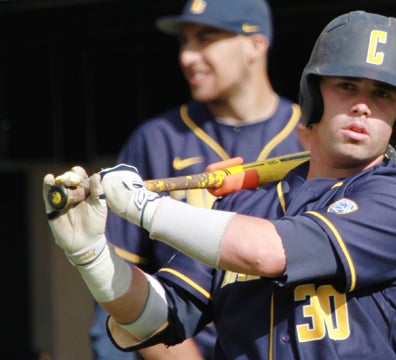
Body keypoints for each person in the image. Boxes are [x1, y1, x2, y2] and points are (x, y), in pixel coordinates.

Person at [43, 10, 396, 359]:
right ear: (314, 96)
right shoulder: (249, 206)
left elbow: (265, 253)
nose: (362, 106)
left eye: (383, 93)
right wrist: (92, 257)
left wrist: (144, 208)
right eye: (347, 86)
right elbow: (155, 318)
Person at [89, 0, 307, 359]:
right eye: (185, 42)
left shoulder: (308, 139)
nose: (188, 57)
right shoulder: (157, 139)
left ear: (255, 44)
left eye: (205, 39)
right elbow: (120, 284)